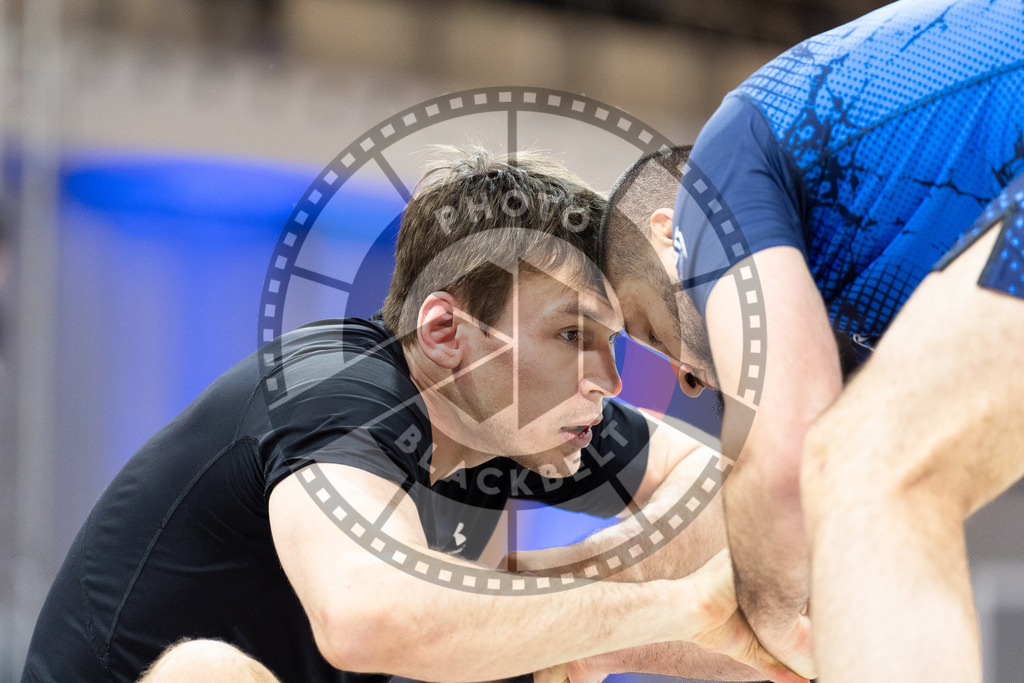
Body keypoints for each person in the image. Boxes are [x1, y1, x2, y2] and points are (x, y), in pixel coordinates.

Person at [21, 148, 801, 683]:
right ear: (444, 334)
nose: (607, 376)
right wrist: (664, 605)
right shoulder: (336, 387)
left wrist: (581, 592)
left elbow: (718, 492)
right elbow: (365, 617)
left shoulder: (524, 418)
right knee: (207, 674)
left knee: (531, 630)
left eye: (610, 339)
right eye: (571, 334)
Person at [592, 0, 1024, 680]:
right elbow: (788, 542)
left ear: (666, 232)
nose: (686, 380)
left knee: (865, 472)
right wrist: (581, 611)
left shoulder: (717, 176)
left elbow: (789, 471)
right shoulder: (849, 314)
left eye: (650, 330)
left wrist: (766, 619)